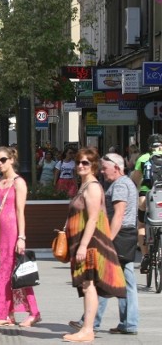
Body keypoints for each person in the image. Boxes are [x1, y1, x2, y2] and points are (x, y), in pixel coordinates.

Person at [63, 147, 126, 343]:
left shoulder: (92, 187)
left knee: (88, 284)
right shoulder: (84, 185)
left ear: (94, 166)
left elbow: (92, 219)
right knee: (86, 285)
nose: (80, 166)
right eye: (78, 162)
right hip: (83, 242)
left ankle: (88, 330)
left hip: (90, 244)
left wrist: (82, 246)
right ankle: (87, 328)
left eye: (85, 163)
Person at [71, 153, 139, 334]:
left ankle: (94, 321)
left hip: (119, 236)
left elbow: (118, 215)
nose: (102, 171)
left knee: (110, 278)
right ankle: (106, 321)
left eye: (104, 168)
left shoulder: (121, 185)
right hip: (123, 235)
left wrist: (108, 239)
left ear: (116, 168)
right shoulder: (122, 184)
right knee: (114, 279)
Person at [0, 147, 40, 327]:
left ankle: (33, 312)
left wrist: (21, 237)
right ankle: (5, 313)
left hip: (11, 232)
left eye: (3, 160)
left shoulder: (18, 182)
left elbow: (20, 211)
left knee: (18, 273)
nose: (0, 164)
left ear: (11, 160)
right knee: (1, 272)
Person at [131, 134, 162, 274]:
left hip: (147, 194)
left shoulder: (143, 158)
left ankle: (146, 255)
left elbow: (136, 179)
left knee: (141, 224)